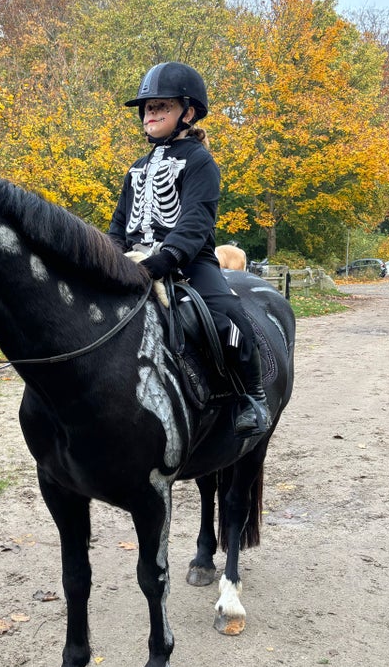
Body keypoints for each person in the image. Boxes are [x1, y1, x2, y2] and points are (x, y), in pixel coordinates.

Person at [108, 61, 270, 436]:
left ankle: (253, 397)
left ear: (189, 112)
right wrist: (111, 257)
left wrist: (164, 259)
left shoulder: (200, 161)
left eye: (161, 106)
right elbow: (119, 224)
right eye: (148, 108)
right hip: (134, 262)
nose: (150, 114)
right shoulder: (136, 168)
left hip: (188, 263)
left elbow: (197, 221)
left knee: (227, 315)